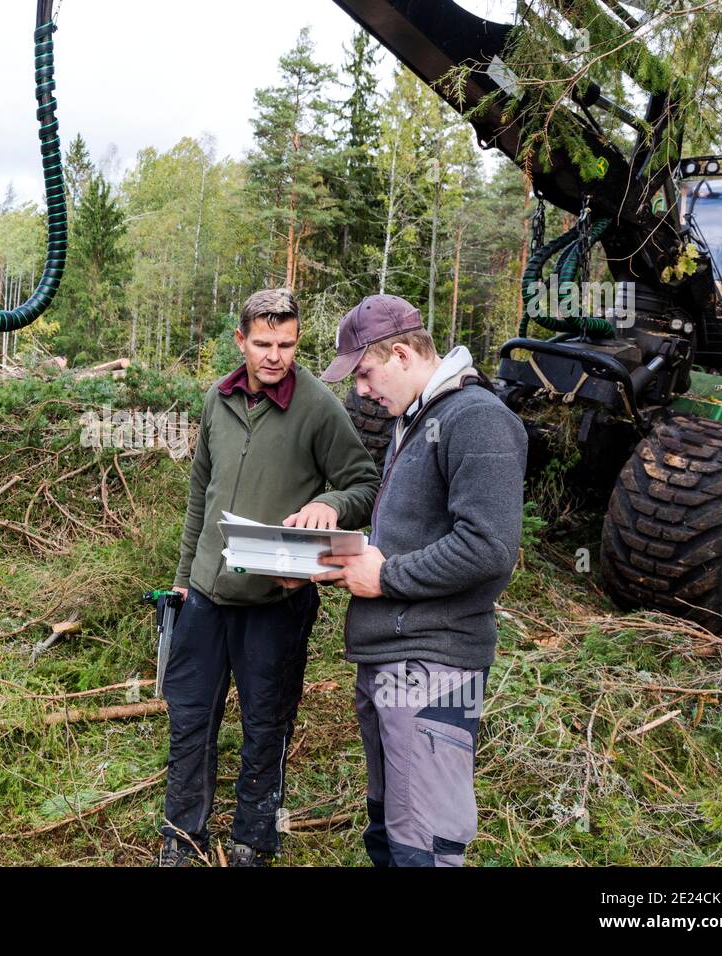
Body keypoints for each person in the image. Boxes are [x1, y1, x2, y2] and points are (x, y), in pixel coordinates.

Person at [161, 287, 380, 867]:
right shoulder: (218, 399)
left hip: (276, 602)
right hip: (207, 595)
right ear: (241, 341)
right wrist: (184, 579)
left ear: (296, 342)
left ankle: (254, 840)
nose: (275, 356)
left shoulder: (318, 406)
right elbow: (199, 499)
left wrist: (331, 504)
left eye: (286, 344)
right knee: (189, 718)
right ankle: (182, 840)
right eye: (263, 343)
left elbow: (364, 483)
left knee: (266, 724)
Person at [313, 293, 527, 867]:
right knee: (390, 832)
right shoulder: (419, 419)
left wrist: (385, 578)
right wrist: (337, 564)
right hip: (394, 660)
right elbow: (414, 538)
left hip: (431, 668)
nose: (360, 390)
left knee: (423, 848)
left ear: (403, 354)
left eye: (364, 373)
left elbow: (489, 548)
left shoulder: (476, 418)